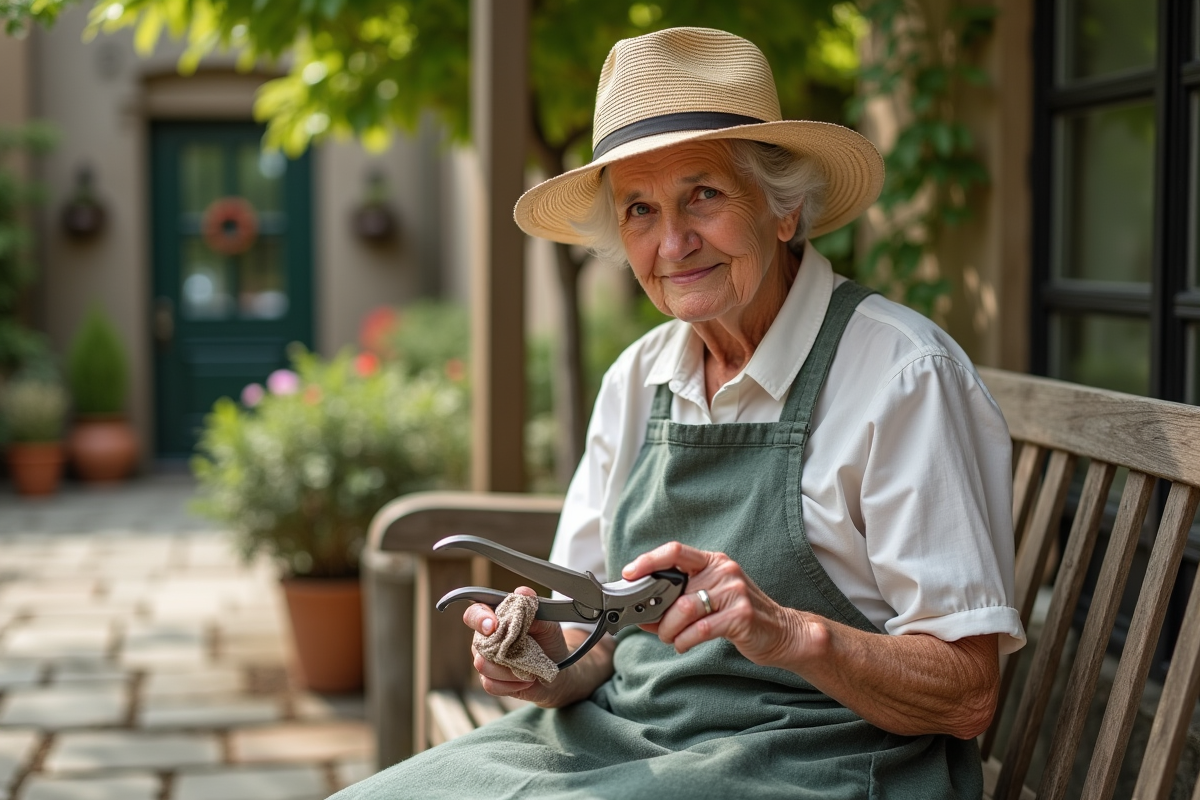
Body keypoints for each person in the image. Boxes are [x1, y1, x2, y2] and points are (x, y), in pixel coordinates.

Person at [332, 26, 1024, 800]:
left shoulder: (900, 375)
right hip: (628, 741)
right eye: (639, 210)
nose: (674, 242)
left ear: (783, 210)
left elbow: (967, 692)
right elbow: (592, 646)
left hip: (821, 764)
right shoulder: (638, 377)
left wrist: (792, 634)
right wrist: (534, 659)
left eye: (704, 194)